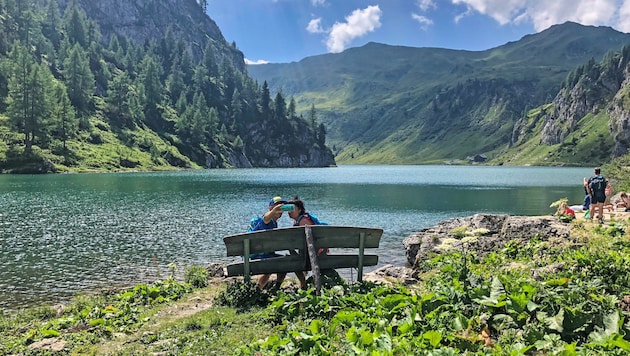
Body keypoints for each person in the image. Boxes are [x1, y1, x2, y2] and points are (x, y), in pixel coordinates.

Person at [248, 196, 307, 290]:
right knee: (276, 264)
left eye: (281, 208)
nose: (280, 210)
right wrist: (273, 211)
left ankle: (275, 288)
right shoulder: (266, 219)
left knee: (284, 261)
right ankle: (258, 290)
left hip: (258, 254)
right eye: (277, 207)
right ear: (270, 208)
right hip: (256, 255)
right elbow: (266, 218)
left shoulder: (273, 222)